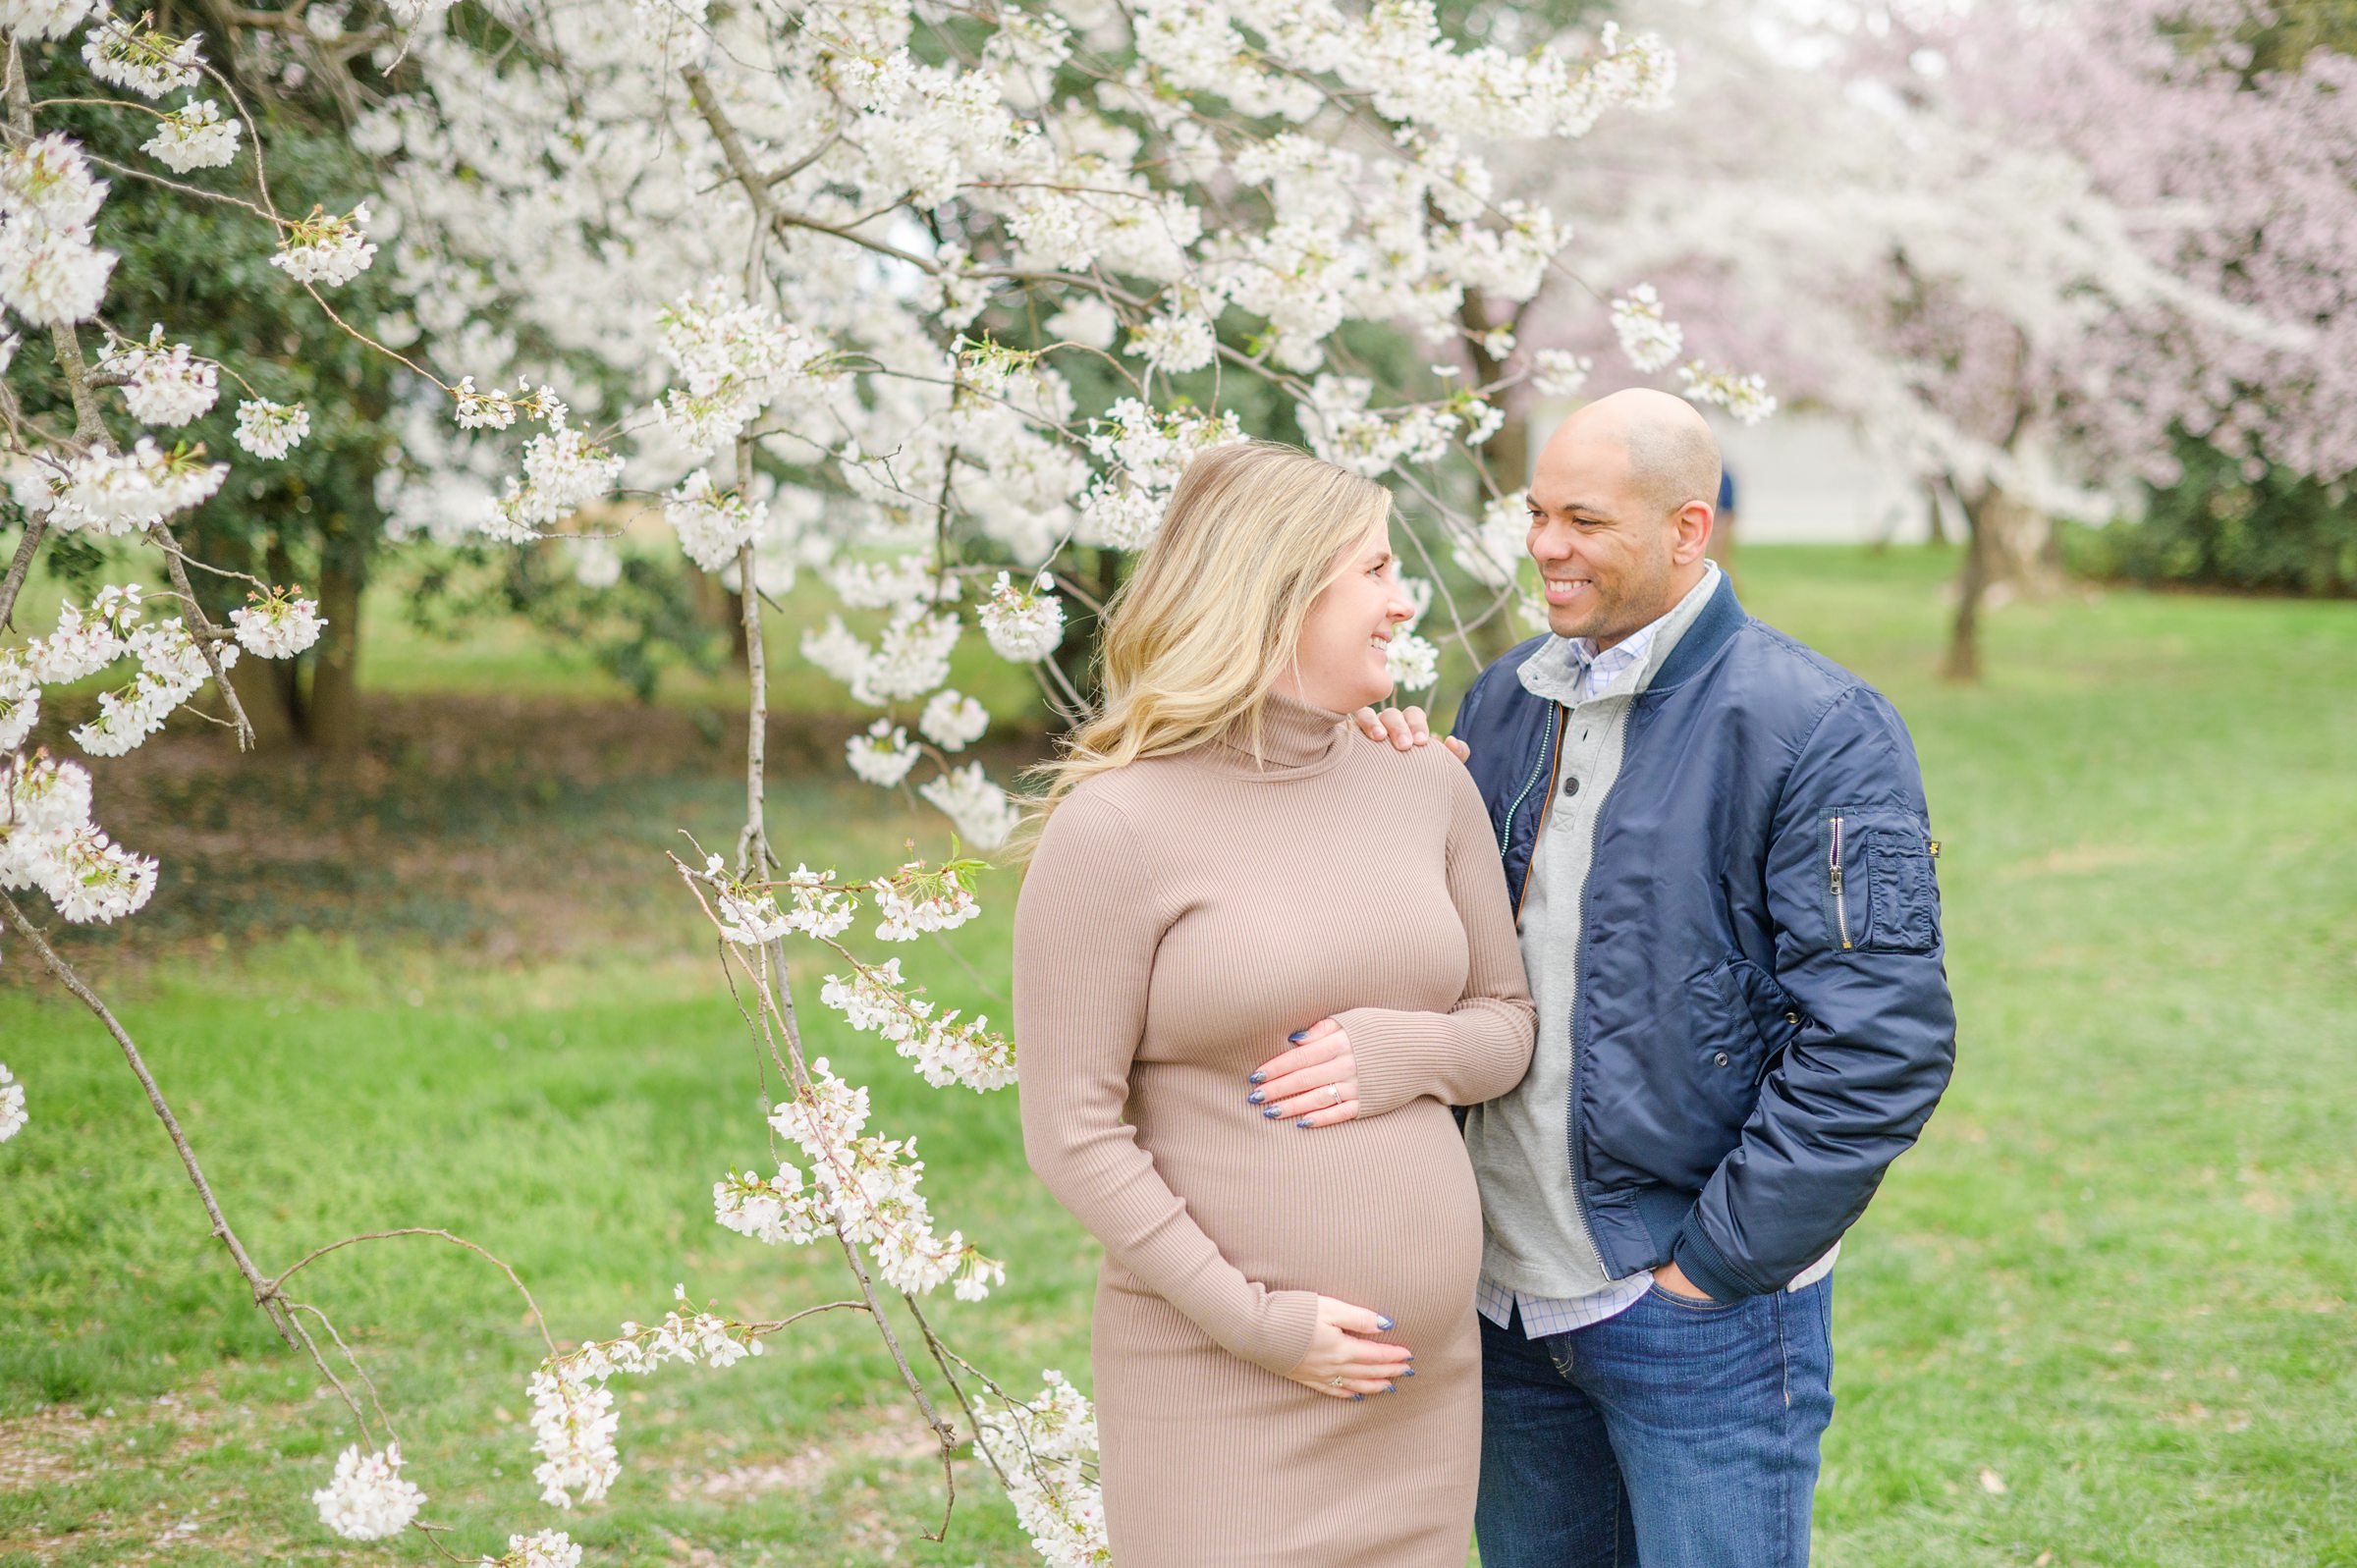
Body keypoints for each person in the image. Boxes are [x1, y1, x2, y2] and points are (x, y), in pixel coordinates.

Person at [1360, 388, 1956, 1567]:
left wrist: (1713, 1269)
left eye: (1584, 518)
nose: (1544, 545)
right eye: (1536, 513)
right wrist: (1378, 792)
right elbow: (1451, 957)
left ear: (1690, 529)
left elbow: (1882, 1039)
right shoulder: (1504, 699)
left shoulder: (1821, 724)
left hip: (1697, 1306)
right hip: (1503, 1300)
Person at [1013, 441, 1537, 1567]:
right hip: (1217, 1380)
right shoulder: (1115, 828)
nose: (1407, 602)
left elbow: (1506, 1023)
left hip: (1417, 1397)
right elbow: (1072, 1134)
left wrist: (1406, 1051)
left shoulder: (1426, 782)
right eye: (1377, 571)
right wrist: (1262, 1324)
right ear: (1280, 589)